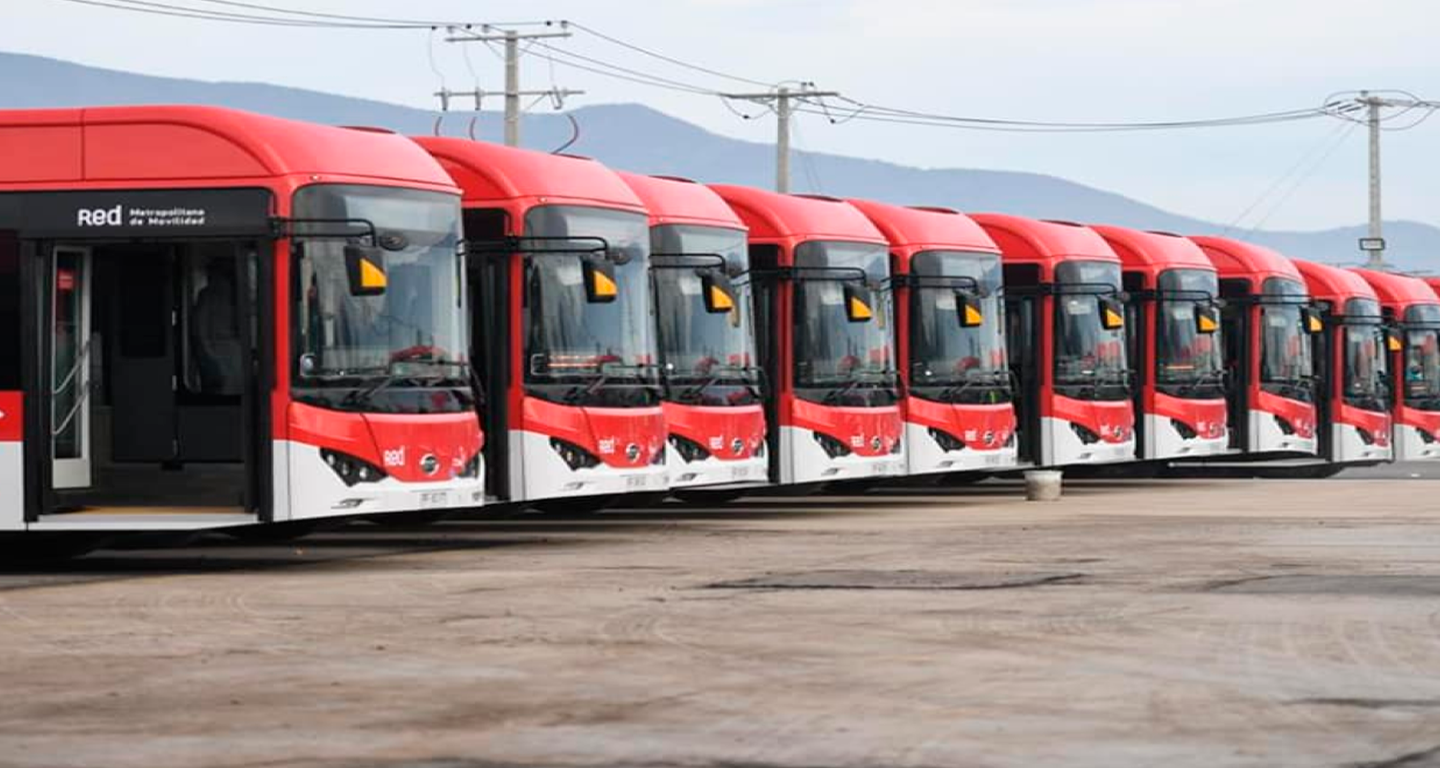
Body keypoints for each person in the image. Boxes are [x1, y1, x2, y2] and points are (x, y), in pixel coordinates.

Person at [192, 257, 243, 395]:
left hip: (226, 347)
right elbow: (200, 329)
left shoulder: (235, 295)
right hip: (219, 346)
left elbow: (199, 329)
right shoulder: (209, 295)